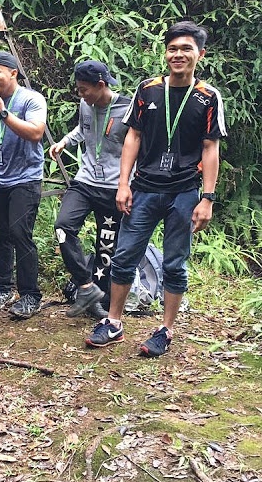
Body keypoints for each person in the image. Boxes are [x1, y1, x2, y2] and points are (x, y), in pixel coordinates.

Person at [85, 21, 227, 356]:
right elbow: (132, 136)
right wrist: (123, 184)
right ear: (165, 53)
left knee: (175, 263)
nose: (178, 55)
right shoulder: (147, 89)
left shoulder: (207, 97)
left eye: (186, 49)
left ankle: (165, 329)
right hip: (145, 187)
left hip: (184, 191)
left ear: (200, 54)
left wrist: (207, 198)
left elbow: (210, 148)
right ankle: (114, 322)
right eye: (173, 48)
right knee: (124, 256)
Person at [49, 61, 131, 319]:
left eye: (84, 90)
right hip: (84, 182)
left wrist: (127, 184)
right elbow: (83, 130)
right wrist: (63, 142)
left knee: (106, 248)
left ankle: (101, 304)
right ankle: (85, 287)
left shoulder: (128, 109)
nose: (81, 95)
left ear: (101, 85)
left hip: (113, 188)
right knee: (63, 226)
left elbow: (139, 145)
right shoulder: (86, 104)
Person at [0, 51, 48, 319]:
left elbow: (36, 133)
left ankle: (31, 295)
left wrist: (4, 113)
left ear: (13, 73)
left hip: (26, 178)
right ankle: (3, 288)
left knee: (20, 233)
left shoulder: (32, 99)